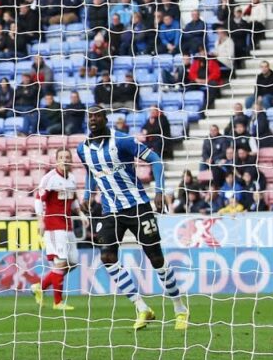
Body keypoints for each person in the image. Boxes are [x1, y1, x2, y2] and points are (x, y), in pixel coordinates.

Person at [76, 106, 188, 331]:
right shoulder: (83, 149)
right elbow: (91, 173)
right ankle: (141, 307)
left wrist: (159, 191)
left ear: (106, 119)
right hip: (110, 210)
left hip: (137, 206)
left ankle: (180, 309)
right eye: (90, 116)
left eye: (97, 116)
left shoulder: (122, 140)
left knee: (156, 259)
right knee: (107, 257)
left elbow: (155, 159)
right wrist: (88, 195)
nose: (93, 120)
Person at [31, 149, 87, 311]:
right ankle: (58, 302)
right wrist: (40, 220)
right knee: (60, 262)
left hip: (68, 225)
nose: (65, 160)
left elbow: (73, 200)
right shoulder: (49, 179)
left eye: (68, 157)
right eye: (61, 157)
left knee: (73, 262)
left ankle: (39, 286)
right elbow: (38, 199)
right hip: (54, 226)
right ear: (56, 160)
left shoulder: (72, 178)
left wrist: (81, 214)